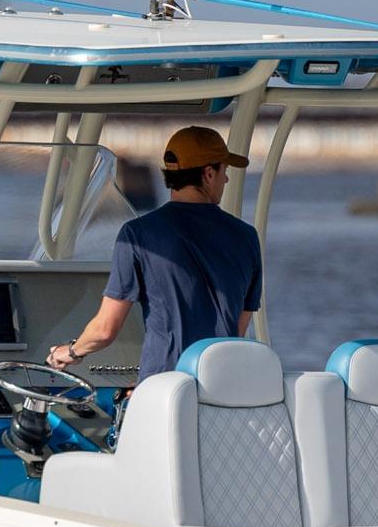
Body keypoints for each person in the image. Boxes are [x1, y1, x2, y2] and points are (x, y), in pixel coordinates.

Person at [49, 125, 262, 384]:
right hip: (223, 387)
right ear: (208, 173)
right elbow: (236, 333)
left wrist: (69, 351)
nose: (226, 179)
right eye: (224, 171)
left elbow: (104, 331)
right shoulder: (246, 236)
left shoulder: (138, 234)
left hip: (164, 388)